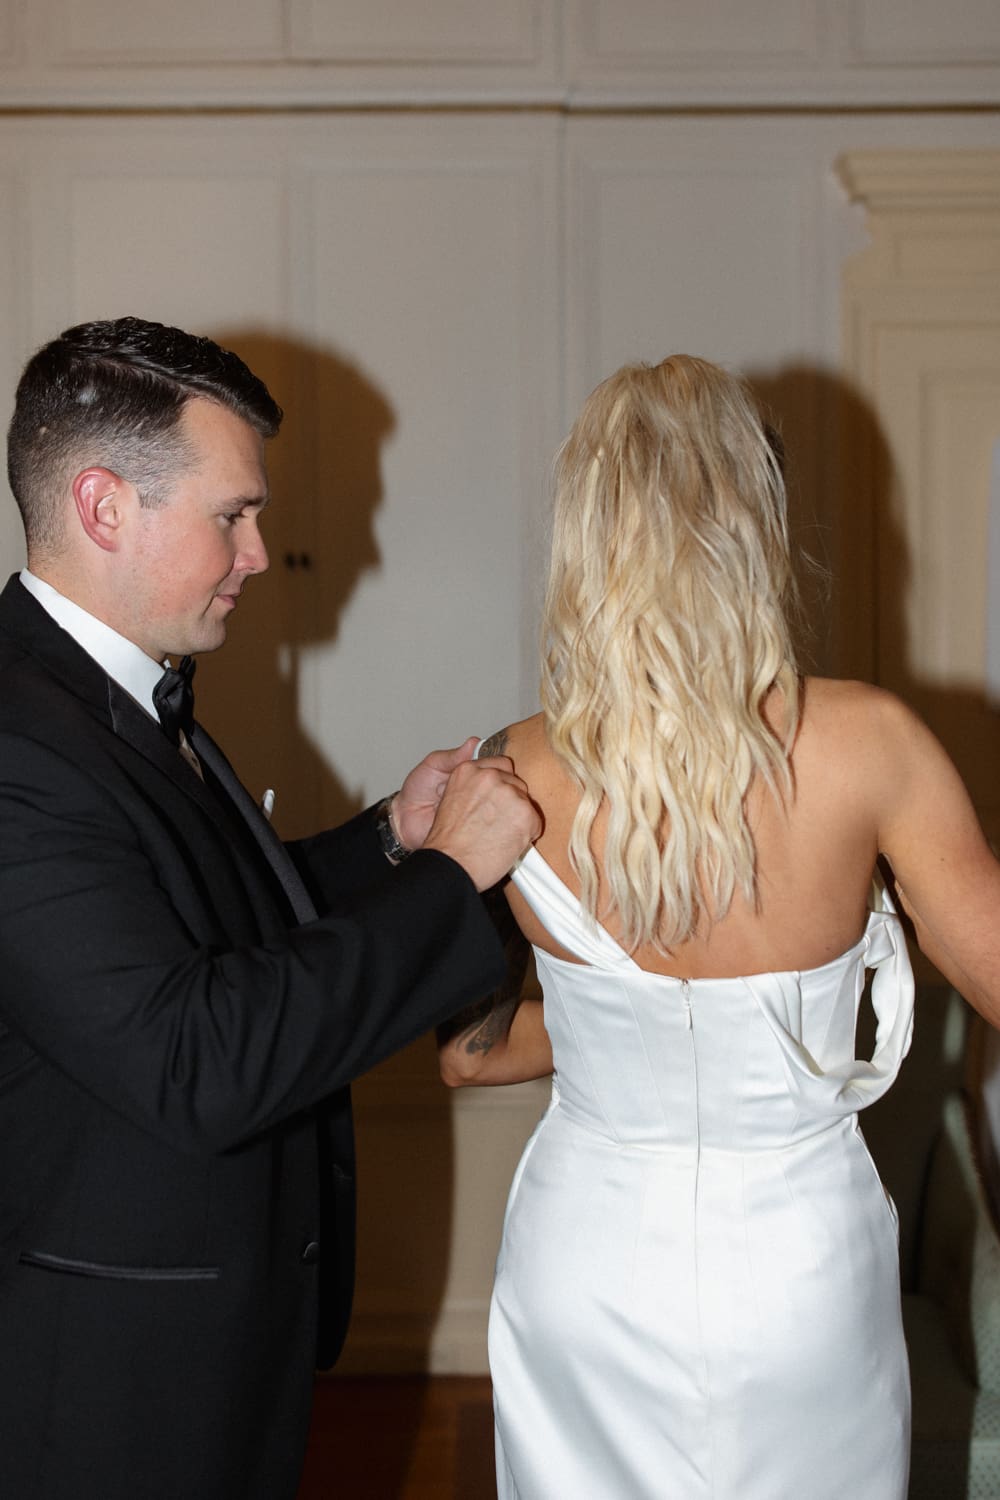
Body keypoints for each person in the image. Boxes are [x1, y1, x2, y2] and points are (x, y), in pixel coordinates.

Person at [438, 354, 1000, 1500]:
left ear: (585, 538)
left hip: (586, 1263)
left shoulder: (509, 771)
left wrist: (609, 1028)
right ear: (759, 523)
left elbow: (466, 1053)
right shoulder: (869, 746)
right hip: (795, 1267)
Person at [0, 316, 540, 1500]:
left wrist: (392, 840)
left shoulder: (119, 698)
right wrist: (455, 882)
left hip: (210, 1344)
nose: (257, 553)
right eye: (232, 515)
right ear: (105, 508)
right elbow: (196, 1054)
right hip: (107, 1388)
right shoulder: (16, 741)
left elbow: (209, 921)